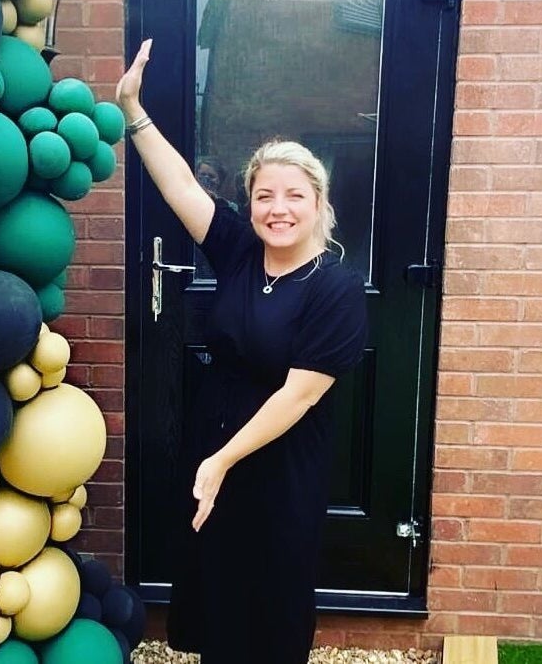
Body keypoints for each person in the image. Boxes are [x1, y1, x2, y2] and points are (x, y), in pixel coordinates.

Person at [117, 39, 368, 664]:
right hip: (216, 427)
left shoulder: (336, 285)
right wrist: (132, 111)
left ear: (318, 204)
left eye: (293, 196)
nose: (277, 209)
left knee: (272, 582)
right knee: (216, 574)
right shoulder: (236, 250)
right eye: (264, 196)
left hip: (280, 455)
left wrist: (222, 461)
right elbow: (177, 183)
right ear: (250, 201)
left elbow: (301, 393)